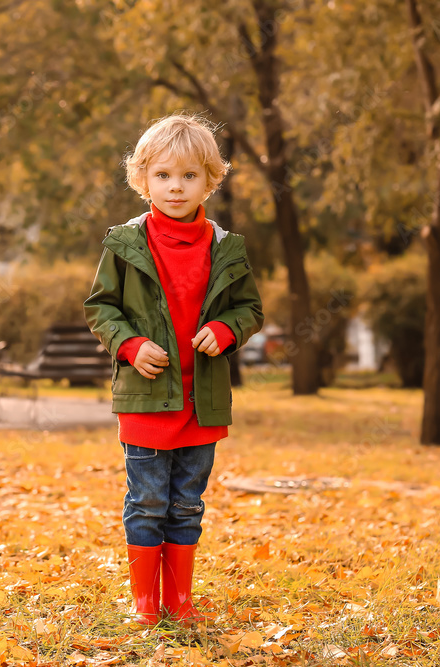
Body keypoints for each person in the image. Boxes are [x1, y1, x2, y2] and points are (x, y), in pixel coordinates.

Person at [83, 112, 264, 627]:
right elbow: (100, 308)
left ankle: (179, 600)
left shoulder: (226, 246)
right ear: (142, 180)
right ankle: (145, 602)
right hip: (145, 398)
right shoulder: (124, 242)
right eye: (162, 175)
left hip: (201, 401)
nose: (175, 187)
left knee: (186, 504)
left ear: (212, 178)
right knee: (146, 501)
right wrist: (131, 344)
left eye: (189, 175)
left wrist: (227, 330)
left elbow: (249, 308)